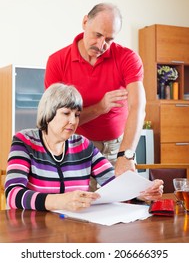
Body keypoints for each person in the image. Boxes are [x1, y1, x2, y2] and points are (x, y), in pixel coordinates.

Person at [5, 83, 163, 212]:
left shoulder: (83, 145)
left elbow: (114, 184)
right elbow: (12, 194)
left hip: (75, 227)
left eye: (77, 115)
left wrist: (142, 193)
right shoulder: (24, 141)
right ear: (48, 113)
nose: (73, 121)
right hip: (35, 230)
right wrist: (61, 201)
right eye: (66, 113)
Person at [44, 2, 146, 178]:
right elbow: (55, 121)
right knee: (82, 203)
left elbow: (138, 107)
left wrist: (126, 154)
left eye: (108, 39)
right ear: (85, 22)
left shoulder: (128, 58)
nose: (101, 45)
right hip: (78, 147)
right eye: (97, 35)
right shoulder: (57, 61)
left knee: (125, 201)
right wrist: (100, 107)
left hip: (118, 147)